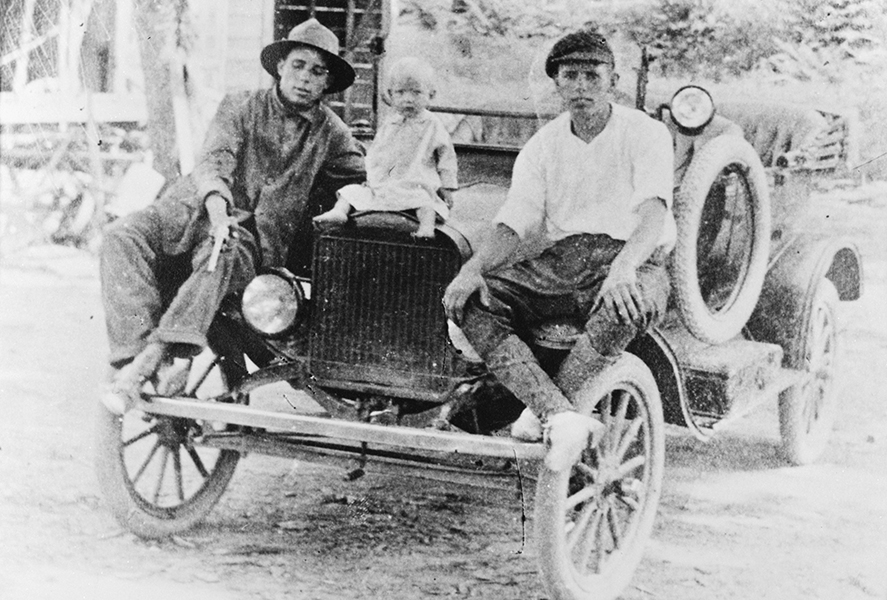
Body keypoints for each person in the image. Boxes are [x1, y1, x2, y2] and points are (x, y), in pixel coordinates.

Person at [99, 18, 366, 414]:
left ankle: (147, 364)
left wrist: (384, 192)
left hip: (249, 237)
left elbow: (362, 178)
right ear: (280, 66)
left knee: (221, 254)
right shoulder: (240, 105)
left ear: (327, 83)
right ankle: (143, 355)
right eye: (298, 65)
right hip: (191, 209)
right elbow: (215, 159)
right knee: (120, 235)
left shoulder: (331, 133)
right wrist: (217, 209)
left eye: (317, 71)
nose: (305, 78)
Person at [442, 29, 675, 471]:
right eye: (570, 76)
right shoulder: (543, 145)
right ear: (557, 84)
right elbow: (514, 220)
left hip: (637, 256)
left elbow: (653, 213)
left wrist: (624, 267)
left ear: (614, 81)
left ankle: (543, 411)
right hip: (564, 260)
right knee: (471, 300)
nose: (581, 86)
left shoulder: (646, 133)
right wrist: (473, 268)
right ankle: (560, 415)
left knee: (624, 305)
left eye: (593, 75)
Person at [313, 57, 457, 237]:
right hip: (385, 183)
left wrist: (448, 187)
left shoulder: (432, 124)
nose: (408, 100)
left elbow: (447, 157)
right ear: (390, 94)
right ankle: (339, 212)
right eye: (400, 92)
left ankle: (426, 229)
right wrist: (369, 176)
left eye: (416, 92)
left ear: (431, 95)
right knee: (350, 192)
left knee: (424, 201)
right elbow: (376, 152)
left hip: (415, 184)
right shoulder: (390, 123)